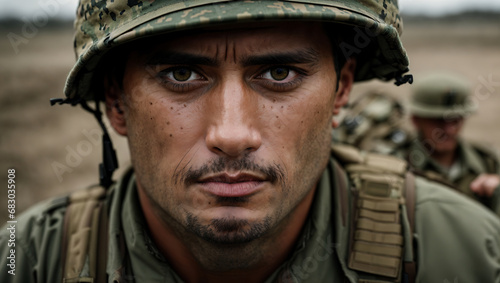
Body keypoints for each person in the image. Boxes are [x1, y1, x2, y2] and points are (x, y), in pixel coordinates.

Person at [2, 1, 500, 282]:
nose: (233, 135)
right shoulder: (27, 262)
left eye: (279, 72)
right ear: (116, 99)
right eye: (181, 73)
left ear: (341, 88)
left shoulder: (463, 254)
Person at [392, 72, 500, 214]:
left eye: (456, 120)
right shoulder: (397, 165)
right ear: (416, 120)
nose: (449, 130)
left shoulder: (487, 162)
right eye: (438, 120)